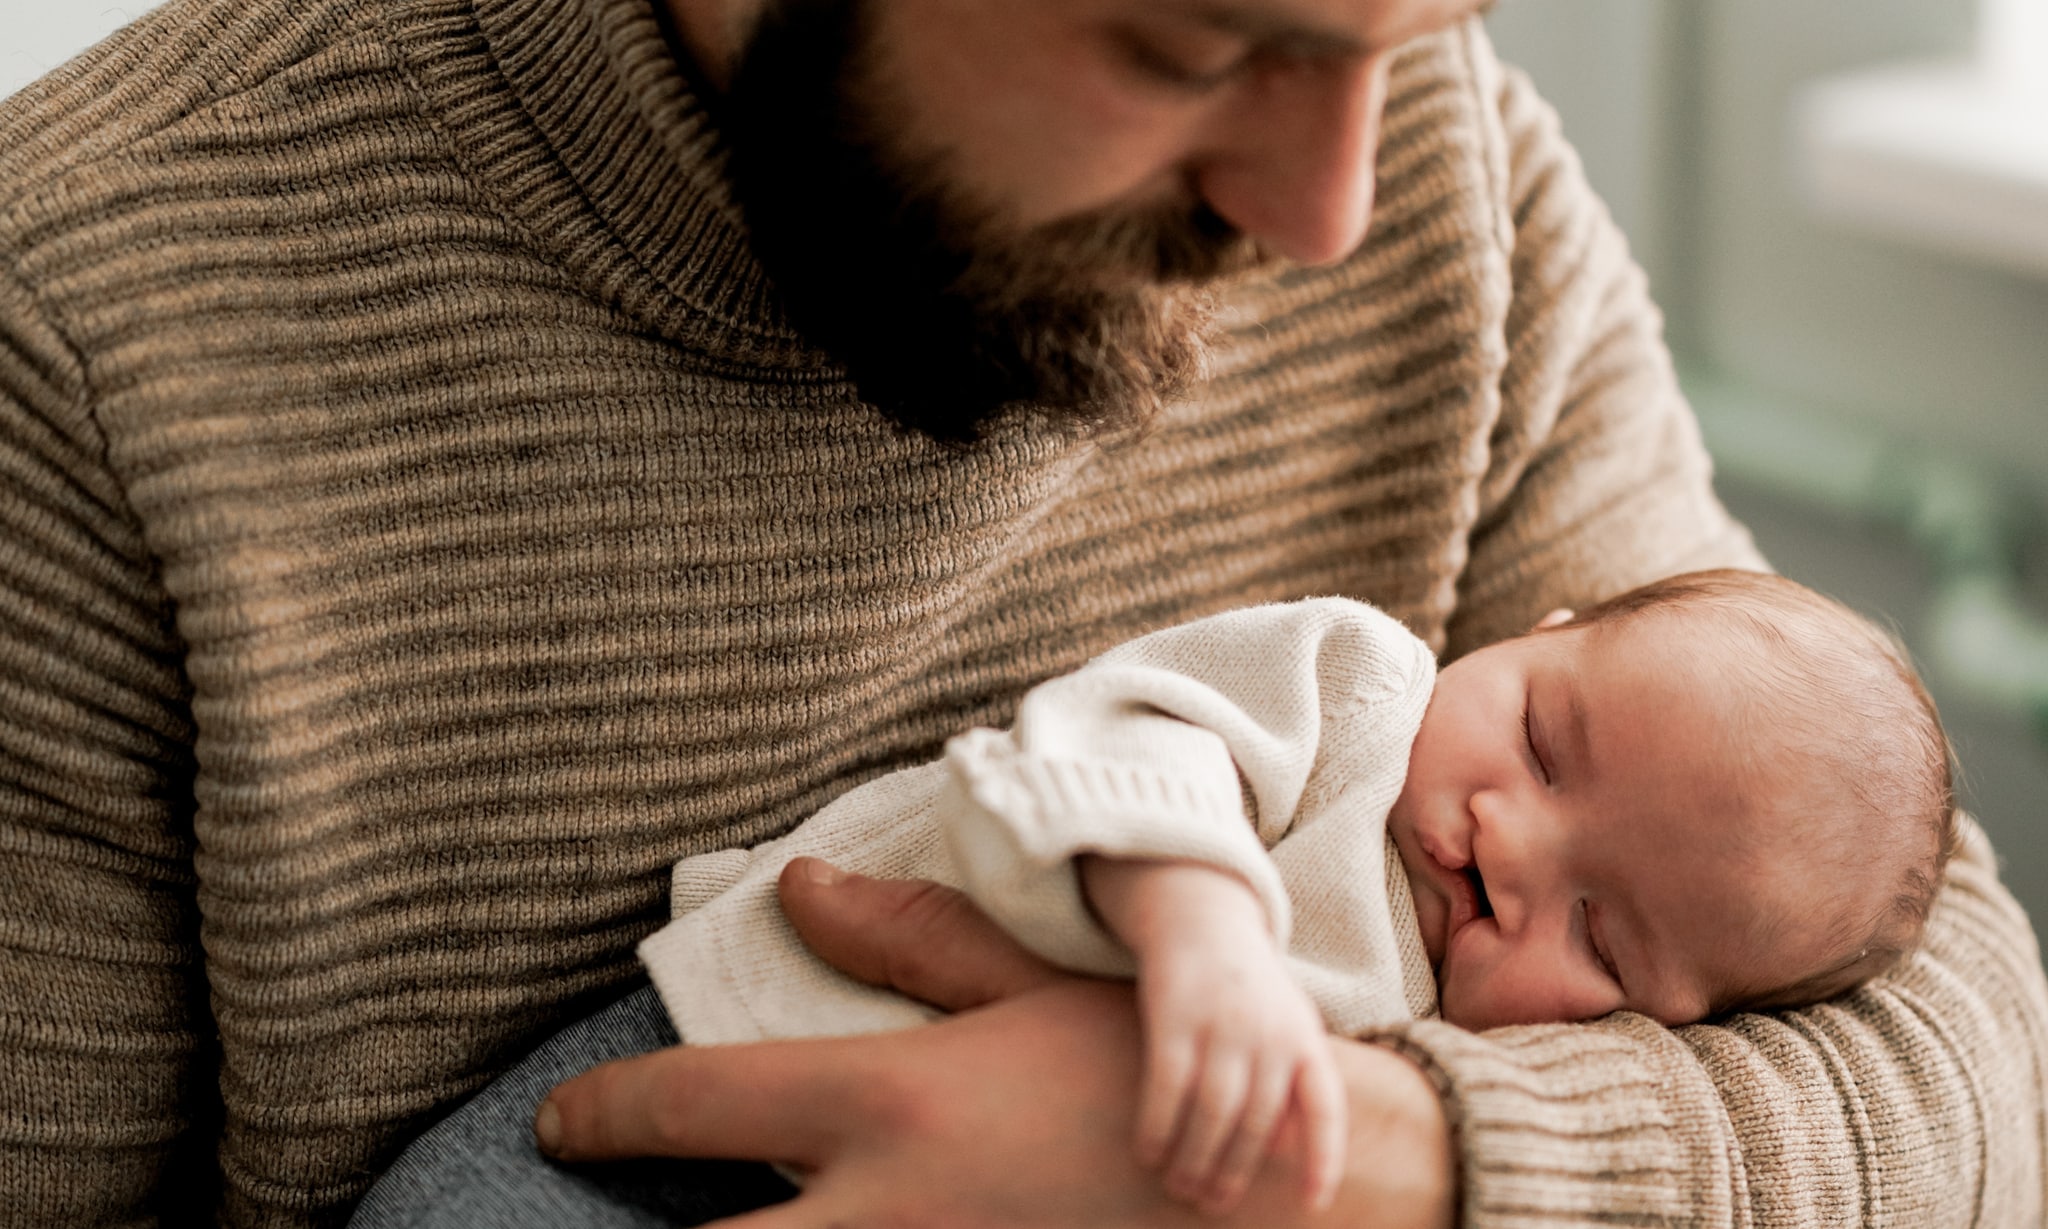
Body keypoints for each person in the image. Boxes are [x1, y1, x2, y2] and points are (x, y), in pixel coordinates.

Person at [1, 0, 2044, 1221]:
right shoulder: (82, 334)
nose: (1327, 212)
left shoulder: (1433, 158)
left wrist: (1334, 1169)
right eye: (1187, 40)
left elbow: (1956, 1066)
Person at [348, 568, 1957, 1226]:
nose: (1514, 843)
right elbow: (1123, 734)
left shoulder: (1464, 1040)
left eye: (1602, 933)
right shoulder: (1355, 690)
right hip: (730, 1047)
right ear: (1536, 623)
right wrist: (1204, 931)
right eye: (1542, 737)